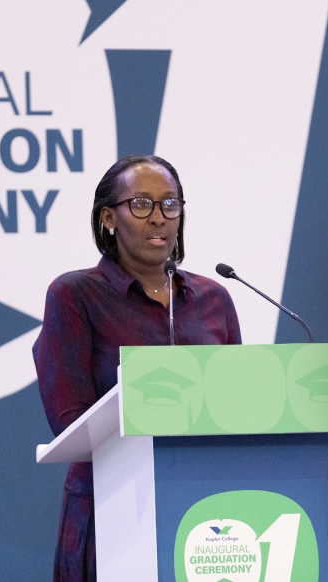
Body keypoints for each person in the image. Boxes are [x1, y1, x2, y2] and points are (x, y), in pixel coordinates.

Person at [33, 154, 242, 582]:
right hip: (114, 506)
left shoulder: (214, 298)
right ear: (109, 217)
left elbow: (238, 404)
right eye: (142, 204)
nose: (159, 219)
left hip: (205, 506)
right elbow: (68, 420)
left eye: (170, 204)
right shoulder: (76, 295)